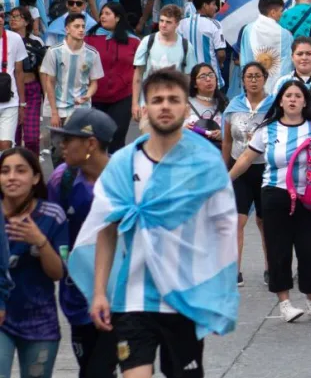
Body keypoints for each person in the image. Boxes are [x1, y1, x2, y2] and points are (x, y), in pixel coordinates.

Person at [69, 68, 239, 378]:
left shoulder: (205, 163)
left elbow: (223, 231)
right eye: (157, 100)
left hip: (184, 297)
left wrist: (217, 294)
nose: (165, 106)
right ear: (144, 108)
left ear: (185, 108)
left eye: (173, 99)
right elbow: (106, 230)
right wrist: (99, 293)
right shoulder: (123, 163)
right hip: (133, 300)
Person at [229, 79, 311, 323]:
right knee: (278, 249)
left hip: (310, 196)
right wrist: (226, 180)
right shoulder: (267, 128)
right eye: (288, 96)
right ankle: (285, 304)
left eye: (298, 96)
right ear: (280, 101)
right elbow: (246, 158)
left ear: (305, 102)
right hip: (275, 194)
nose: (292, 100)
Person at [46, 109, 117, 378]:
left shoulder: (124, 177)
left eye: (68, 140)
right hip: (77, 297)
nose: (62, 146)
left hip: (121, 297)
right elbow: (52, 231)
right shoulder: (61, 180)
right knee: (89, 368)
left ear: (91, 144)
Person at [0, 147, 67, 378]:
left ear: (36, 177)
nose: (12, 177)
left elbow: (58, 273)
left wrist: (40, 242)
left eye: (20, 171)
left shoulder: (52, 215)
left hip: (40, 321)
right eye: (5, 171)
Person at [222, 62, 272, 287]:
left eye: (257, 76)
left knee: (265, 221)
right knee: (237, 220)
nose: (253, 80)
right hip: (238, 168)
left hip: (265, 168)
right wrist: (224, 169)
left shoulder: (274, 106)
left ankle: (271, 268)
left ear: (265, 78)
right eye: (249, 76)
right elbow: (227, 140)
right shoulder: (233, 106)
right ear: (242, 80)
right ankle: (234, 271)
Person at [85, 2, 140, 153]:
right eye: (102, 14)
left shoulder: (134, 41)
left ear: (118, 18)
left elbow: (139, 72)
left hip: (123, 96)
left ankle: (116, 165)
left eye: (107, 14)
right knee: (96, 139)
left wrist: (137, 102)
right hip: (95, 97)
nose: (103, 16)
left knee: (117, 136)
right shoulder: (89, 39)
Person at [131, 5, 197, 120]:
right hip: (148, 103)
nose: (163, 25)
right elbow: (138, 75)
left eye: (168, 22)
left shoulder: (186, 46)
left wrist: (186, 103)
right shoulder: (148, 41)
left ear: (177, 24)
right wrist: (135, 104)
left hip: (174, 104)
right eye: (161, 20)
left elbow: (188, 79)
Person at [40, 13, 104, 128]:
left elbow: (94, 82)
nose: (81, 30)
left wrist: (88, 95)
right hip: (59, 108)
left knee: (80, 139)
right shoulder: (54, 51)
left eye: (83, 26)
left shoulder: (92, 53)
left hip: (82, 108)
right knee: (58, 139)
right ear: (67, 29)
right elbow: (49, 82)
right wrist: (54, 112)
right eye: (76, 26)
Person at [237, 0, 294, 94]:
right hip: (277, 89)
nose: (282, 14)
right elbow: (287, 65)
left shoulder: (248, 30)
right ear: (273, 12)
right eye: (281, 11)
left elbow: (244, 59)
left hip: (252, 86)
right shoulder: (285, 34)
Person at [9, 6, 45, 154]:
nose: (13, 19)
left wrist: (46, 95)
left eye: (17, 16)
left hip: (32, 90)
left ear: (27, 22)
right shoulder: (5, 40)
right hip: (11, 91)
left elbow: (42, 70)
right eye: (11, 16)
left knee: (31, 138)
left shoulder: (36, 42)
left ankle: (33, 164)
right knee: (13, 138)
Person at [177, 0, 227, 88]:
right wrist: (220, 64)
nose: (216, 8)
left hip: (188, 78)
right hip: (210, 79)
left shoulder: (181, 24)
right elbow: (221, 54)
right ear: (205, 5)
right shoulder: (214, 24)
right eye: (213, 4)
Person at [0, 4, 27, 150]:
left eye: (2, 16)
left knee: (6, 145)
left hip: (9, 100)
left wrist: (22, 104)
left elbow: (19, 73)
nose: (0, 19)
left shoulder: (15, 39)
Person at [186, 63, 226, 147]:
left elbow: (233, 131)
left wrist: (223, 134)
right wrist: (183, 130)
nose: (208, 79)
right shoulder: (185, 103)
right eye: (202, 76)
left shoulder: (224, 103)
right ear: (194, 84)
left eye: (211, 75)